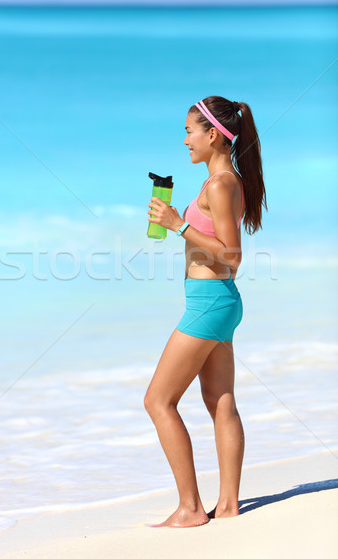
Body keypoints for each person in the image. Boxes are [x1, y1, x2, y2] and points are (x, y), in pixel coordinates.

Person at [145, 95, 267, 528]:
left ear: (213, 134)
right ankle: (229, 505)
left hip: (211, 300)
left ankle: (191, 508)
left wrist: (179, 224)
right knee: (219, 401)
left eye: (189, 131)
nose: (185, 141)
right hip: (216, 301)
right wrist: (179, 222)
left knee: (158, 401)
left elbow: (231, 256)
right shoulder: (220, 181)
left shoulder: (220, 183)